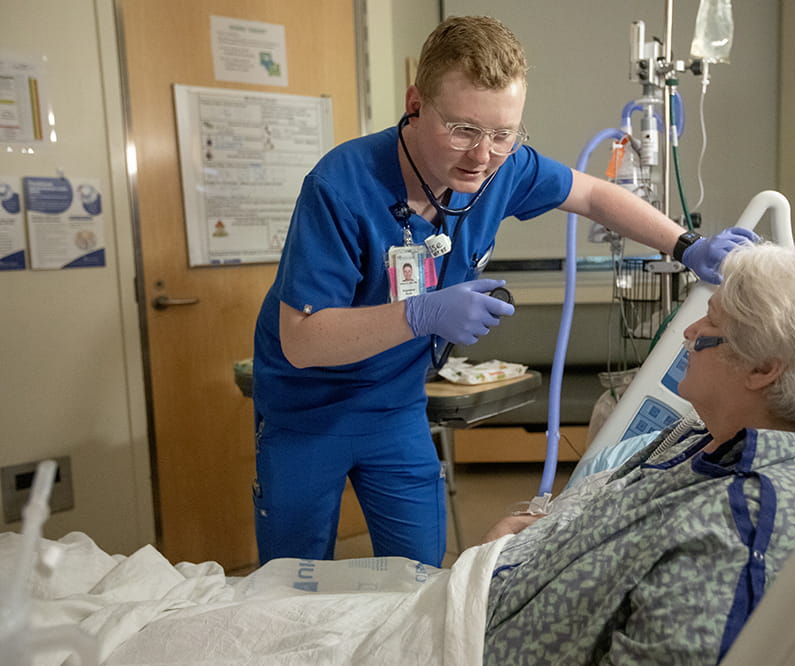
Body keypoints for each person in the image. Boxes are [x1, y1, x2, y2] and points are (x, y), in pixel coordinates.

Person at [251, 15, 757, 567]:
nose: (482, 155)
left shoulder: (502, 167)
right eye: (463, 130)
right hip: (306, 413)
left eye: (502, 134)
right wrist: (418, 315)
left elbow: (593, 196)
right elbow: (301, 340)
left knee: (420, 576)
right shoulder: (341, 187)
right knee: (290, 579)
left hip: (395, 408)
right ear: (415, 103)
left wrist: (686, 246)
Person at [479, 242, 795, 663]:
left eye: (712, 321)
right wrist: (519, 545)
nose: (690, 331)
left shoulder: (732, 537)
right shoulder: (702, 437)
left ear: (761, 369)